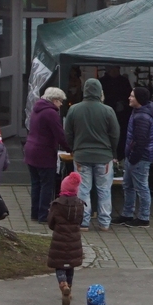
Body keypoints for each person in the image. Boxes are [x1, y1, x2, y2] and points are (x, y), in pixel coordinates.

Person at [65, 78, 120, 230]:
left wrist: (73, 148)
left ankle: (83, 222)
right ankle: (104, 222)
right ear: (100, 92)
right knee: (104, 189)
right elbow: (115, 134)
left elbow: (68, 133)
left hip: (81, 155)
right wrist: (112, 151)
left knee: (83, 189)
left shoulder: (74, 109)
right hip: (104, 156)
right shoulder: (108, 110)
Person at [25, 87, 68, 222]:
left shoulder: (36, 109)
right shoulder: (51, 113)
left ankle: (35, 213)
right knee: (46, 185)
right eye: (60, 101)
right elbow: (60, 134)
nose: (61, 104)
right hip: (44, 153)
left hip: (31, 151)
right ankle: (43, 215)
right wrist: (70, 148)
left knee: (36, 184)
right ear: (54, 100)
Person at [48, 171, 86, 305]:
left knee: (60, 266)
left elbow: (51, 222)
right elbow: (80, 221)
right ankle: (69, 288)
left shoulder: (57, 205)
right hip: (74, 241)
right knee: (70, 266)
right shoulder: (80, 205)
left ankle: (63, 284)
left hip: (59, 240)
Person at [119, 88, 153, 226]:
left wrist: (133, 156)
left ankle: (143, 217)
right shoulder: (138, 113)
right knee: (128, 185)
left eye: (132, 96)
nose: (129, 98)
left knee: (141, 187)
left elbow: (141, 140)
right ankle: (127, 214)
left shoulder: (142, 117)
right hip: (133, 156)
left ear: (139, 99)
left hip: (140, 158)